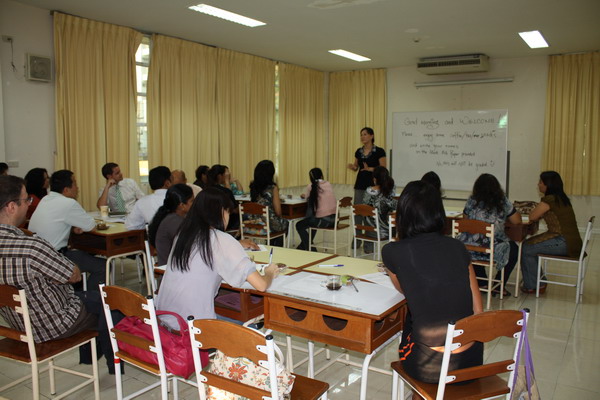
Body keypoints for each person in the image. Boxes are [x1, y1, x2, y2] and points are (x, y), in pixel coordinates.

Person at [0, 175, 120, 374]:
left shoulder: (28, 242)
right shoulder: (30, 246)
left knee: (93, 299)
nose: (29, 205)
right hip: (55, 323)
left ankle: (91, 357)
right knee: (113, 305)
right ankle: (114, 369)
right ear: (12, 207)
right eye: (26, 200)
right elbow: (73, 276)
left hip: (19, 325)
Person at [381, 181, 483, 392]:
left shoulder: (393, 251)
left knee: (409, 323)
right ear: (438, 212)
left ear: (403, 214)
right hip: (471, 362)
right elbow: (478, 311)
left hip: (429, 367)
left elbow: (404, 289)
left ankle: (421, 394)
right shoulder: (458, 247)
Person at [155, 187, 279, 329]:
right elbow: (261, 286)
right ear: (221, 211)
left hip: (166, 320)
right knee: (253, 329)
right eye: (227, 211)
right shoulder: (222, 240)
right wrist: (269, 272)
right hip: (194, 328)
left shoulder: (183, 235)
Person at [29, 170, 106, 291]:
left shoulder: (45, 199)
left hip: (39, 256)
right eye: (75, 183)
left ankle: (79, 292)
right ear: (66, 190)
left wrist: (73, 226)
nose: (77, 187)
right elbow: (91, 226)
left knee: (83, 255)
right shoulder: (69, 203)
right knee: (103, 266)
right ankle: (86, 299)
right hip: (56, 257)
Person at [457, 173, 521, 296]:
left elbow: (465, 220)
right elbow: (517, 221)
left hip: (470, 249)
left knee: (476, 242)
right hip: (492, 249)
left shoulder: (472, 201)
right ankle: (499, 284)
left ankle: (481, 282)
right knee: (513, 250)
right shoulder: (503, 202)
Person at [521, 171, 582, 293]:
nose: (538, 184)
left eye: (540, 182)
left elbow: (532, 217)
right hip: (571, 241)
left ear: (547, 184)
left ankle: (533, 286)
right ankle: (538, 282)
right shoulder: (560, 198)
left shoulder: (549, 200)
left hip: (563, 242)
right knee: (529, 244)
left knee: (527, 247)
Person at [347, 127, 386, 246]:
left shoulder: (379, 151)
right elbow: (356, 166)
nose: (362, 137)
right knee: (358, 212)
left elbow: (383, 168)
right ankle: (357, 239)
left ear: (371, 136)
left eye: (365, 134)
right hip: (360, 185)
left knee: (369, 213)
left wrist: (370, 169)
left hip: (373, 186)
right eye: (361, 135)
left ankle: (369, 243)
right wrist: (353, 167)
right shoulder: (358, 151)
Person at [148, 184, 194, 266]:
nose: (195, 204)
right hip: (173, 270)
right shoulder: (173, 221)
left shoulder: (174, 217)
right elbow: (193, 244)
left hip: (177, 266)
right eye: (192, 201)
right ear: (182, 206)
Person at [247, 160, 289, 247]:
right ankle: (276, 248)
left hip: (253, 223)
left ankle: (271, 245)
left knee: (276, 224)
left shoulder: (253, 186)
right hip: (267, 224)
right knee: (285, 223)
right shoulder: (273, 188)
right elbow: (278, 212)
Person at [296, 168, 337, 251]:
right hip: (334, 220)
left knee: (299, 225)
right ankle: (303, 246)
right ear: (322, 175)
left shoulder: (310, 186)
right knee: (312, 221)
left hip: (323, 221)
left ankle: (311, 249)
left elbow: (307, 197)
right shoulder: (328, 184)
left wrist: (304, 195)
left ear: (310, 178)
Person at [362, 166, 397, 253]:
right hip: (385, 232)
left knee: (370, 220)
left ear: (374, 179)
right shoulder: (388, 193)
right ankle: (392, 251)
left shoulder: (368, 190)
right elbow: (396, 206)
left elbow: (364, 206)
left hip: (370, 230)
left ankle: (368, 249)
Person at [125, 166, 172, 230]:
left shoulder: (141, 202)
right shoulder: (178, 198)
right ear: (167, 183)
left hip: (154, 238)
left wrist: (148, 227)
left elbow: (130, 226)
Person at [207, 164, 240, 231]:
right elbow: (234, 209)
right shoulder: (225, 191)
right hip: (227, 223)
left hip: (210, 223)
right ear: (220, 176)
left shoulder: (206, 190)